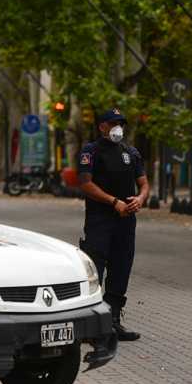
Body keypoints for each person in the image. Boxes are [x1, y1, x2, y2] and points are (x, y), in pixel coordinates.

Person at [77, 108, 148, 342]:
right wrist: (113, 202)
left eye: (121, 123)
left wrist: (140, 199)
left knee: (121, 268)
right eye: (113, 123)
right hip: (100, 220)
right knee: (95, 269)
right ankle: (91, 324)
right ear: (102, 127)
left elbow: (144, 184)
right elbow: (86, 184)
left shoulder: (131, 152)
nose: (118, 127)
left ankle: (113, 320)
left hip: (126, 221)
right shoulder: (91, 151)